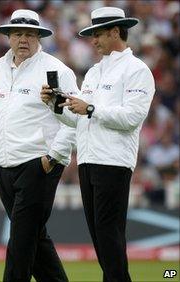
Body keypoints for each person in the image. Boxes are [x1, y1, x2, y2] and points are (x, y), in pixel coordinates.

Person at [41, 7, 155, 282]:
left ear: (116, 32)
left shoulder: (137, 70)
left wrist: (91, 108)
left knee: (108, 235)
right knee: (100, 236)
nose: (93, 40)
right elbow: (80, 119)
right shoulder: (93, 72)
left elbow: (132, 117)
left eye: (98, 34)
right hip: (88, 160)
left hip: (114, 161)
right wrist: (56, 107)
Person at [0, 9, 79, 282]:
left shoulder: (56, 70)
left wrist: (52, 158)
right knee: (33, 238)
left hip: (37, 164)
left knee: (21, 242)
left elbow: (74, 119)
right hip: (3, 164)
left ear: (39, 36)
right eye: (17, 34)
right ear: (8, 37)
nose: (23, 39)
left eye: (29, 34)